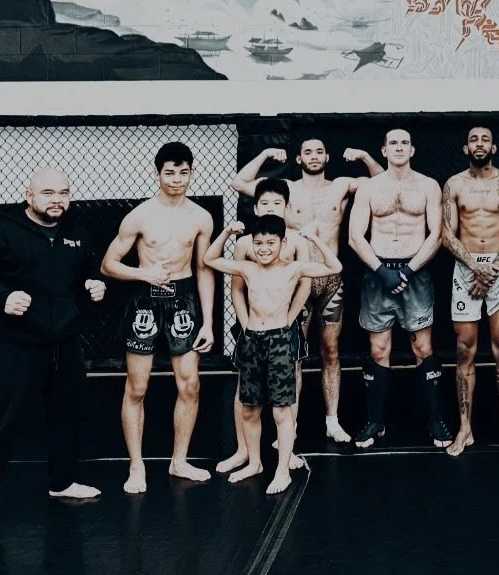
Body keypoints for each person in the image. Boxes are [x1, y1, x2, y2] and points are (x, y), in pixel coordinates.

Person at [0, 168, 106, 536]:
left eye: (64, 192)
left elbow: (89, 271)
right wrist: (2, 296)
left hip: (65, 343)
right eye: (48, 192)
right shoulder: (0, 231)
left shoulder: (77, 234)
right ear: (29, 195)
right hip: (16, 346)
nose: (57, 199)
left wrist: (95, 284)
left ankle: (62, 482)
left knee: (69, 416)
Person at [230, 138, 382, 443]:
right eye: (307, 152)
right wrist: (264, 154)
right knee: (293, 355)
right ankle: (291, 426)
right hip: (296, 281)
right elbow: (239, 182)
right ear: (299, 159)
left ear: (327, 156)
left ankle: (332, 421)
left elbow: (383, 182)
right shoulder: (285, 188)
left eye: (319, 151)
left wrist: (364, 154)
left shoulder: (341, 185)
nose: (314, 156)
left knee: (331, 351)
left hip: (330, 281)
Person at [204, 180, 343, 494]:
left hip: (280, 340)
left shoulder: (292, 268)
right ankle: (254, 462)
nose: (264, 249)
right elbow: (210, 260)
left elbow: (335, 265)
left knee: (281, 409)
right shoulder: (249, 269)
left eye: (271, 244)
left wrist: (313, 239)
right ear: (253, 244)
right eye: (259, 244)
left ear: (282, 243)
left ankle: (283, 470)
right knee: (250, 406)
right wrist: (226, 234)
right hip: (252, 340)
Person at [100, 142, 215, 494]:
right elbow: (108, 264)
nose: (177, 179)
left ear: (192, 173)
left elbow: (203, 269)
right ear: (157, 174)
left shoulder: (201, 217)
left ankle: (179, 461)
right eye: (170, 172)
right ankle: (137, 467)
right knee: (137, 386)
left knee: (190, 384)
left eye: (183, 172)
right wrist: (143, 274)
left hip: (183, 300)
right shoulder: (140, 215)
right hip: (145, 299)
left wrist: (209, 321)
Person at [347, 128, 450, 448]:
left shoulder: (428, 186)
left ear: (413, 149)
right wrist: (382, 271)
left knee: (423, 347)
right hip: (378, 275)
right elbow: (354, 236)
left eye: (405, 142)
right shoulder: (369, 188)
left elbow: (437, 234)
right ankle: (375, 422)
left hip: (414, 272)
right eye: (394, 143)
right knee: (379, 350)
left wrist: (407, 270)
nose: (400, 147)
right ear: (384, 150)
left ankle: (435, 422)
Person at [440, 126, 499, 456]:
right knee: (465, 350)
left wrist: (491, 267)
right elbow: (447, 234)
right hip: (466, 268)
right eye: (474, 140)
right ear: (466, 148)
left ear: (495, 146)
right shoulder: (455, 184)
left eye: (485, 139)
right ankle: (465, 429)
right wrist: (475, 267)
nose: (480, 144)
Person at [216, 193, 313, 476]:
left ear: (287, 207)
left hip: (283, 326)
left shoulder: (296, 241)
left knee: (287, 393)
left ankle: (286, 456)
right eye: (265, 203)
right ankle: (245, 453)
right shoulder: (246, 243)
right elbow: (235, 287)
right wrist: (246, 325)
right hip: (252, 327)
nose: (271, 208)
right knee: (248, 397)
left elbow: (306, 285)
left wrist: (288, 320)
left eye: (277, 203)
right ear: (256, 207)